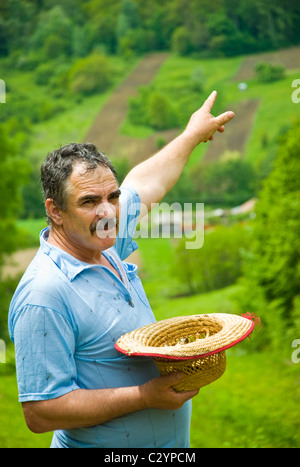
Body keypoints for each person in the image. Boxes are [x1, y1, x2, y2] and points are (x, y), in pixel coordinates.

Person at [8, 91, 234, 448]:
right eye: (89, 202)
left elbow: (146, 183)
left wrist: (192, 134)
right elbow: (41, 412)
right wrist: (145, 396)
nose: (109, 211)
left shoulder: (101, 239)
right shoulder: (44, 294)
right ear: (55, 211)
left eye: (112, 197)